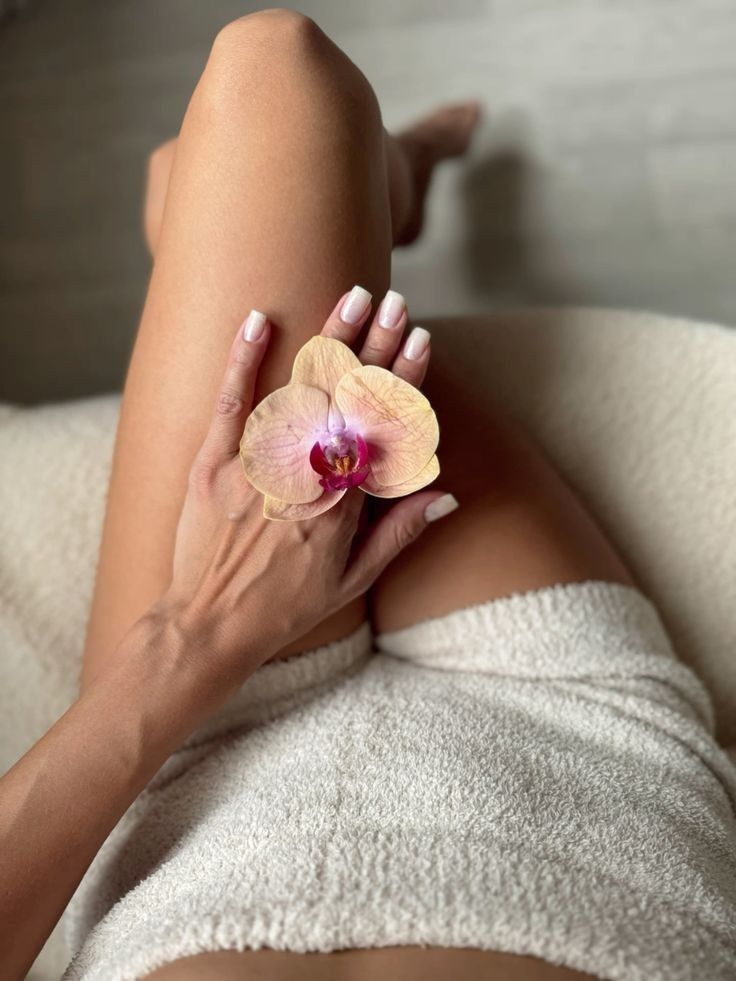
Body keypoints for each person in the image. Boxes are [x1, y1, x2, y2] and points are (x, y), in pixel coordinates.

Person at [2, 9, 735, 981]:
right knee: (212, 182)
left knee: (271, 83)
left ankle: (384, 185)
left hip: (195, 726)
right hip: (548, 729)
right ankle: (382, 188)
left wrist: (201, 632)